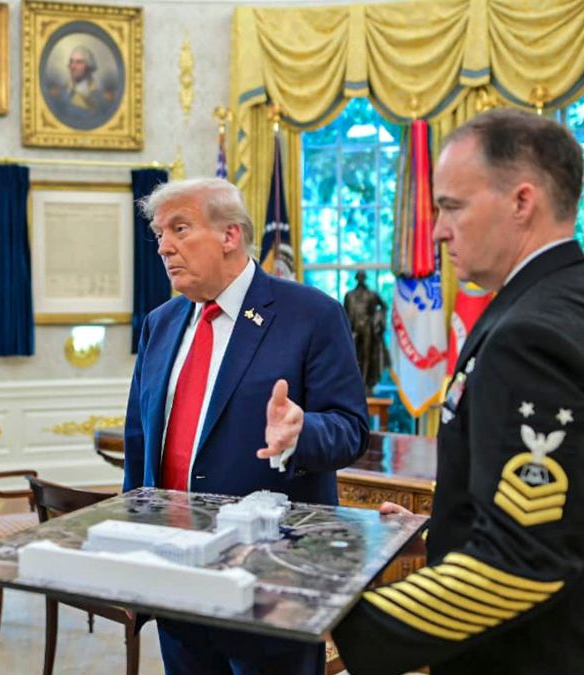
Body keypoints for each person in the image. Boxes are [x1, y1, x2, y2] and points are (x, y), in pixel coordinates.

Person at [330, 109, 584, 673]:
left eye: (451, 206)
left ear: (521, 202)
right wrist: (440, 531)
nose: (435, 230)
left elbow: (523, 558)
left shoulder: (532, 335)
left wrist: (342, 623)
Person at [124, 177, 368, 674]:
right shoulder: (161, 322)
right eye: (159, 234)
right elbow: (138, 443)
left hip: (272, 579)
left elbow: (350, 430)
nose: (164, 246)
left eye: (180, 228)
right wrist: (134, 553)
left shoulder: (312, 314)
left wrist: (301, 433)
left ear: (230, 235)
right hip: (179, 572)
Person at [47, 45, 117, 130]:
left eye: (78, 62)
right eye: (71, 62)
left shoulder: (102, 97)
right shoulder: (59, 95)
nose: (73, 67)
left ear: (89, 66)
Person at [343, 270, 390, 394]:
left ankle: (365, 383)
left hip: (368, 328)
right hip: (353, 330)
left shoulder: (372, 294)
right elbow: (345, 314)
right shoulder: (349, 295)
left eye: (362, 277)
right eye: (359, 277)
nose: (361, 279)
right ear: (356, 278)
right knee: (353, 355)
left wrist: (378, 320)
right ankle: (355, 383)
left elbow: (384, 306)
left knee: (367, 355)